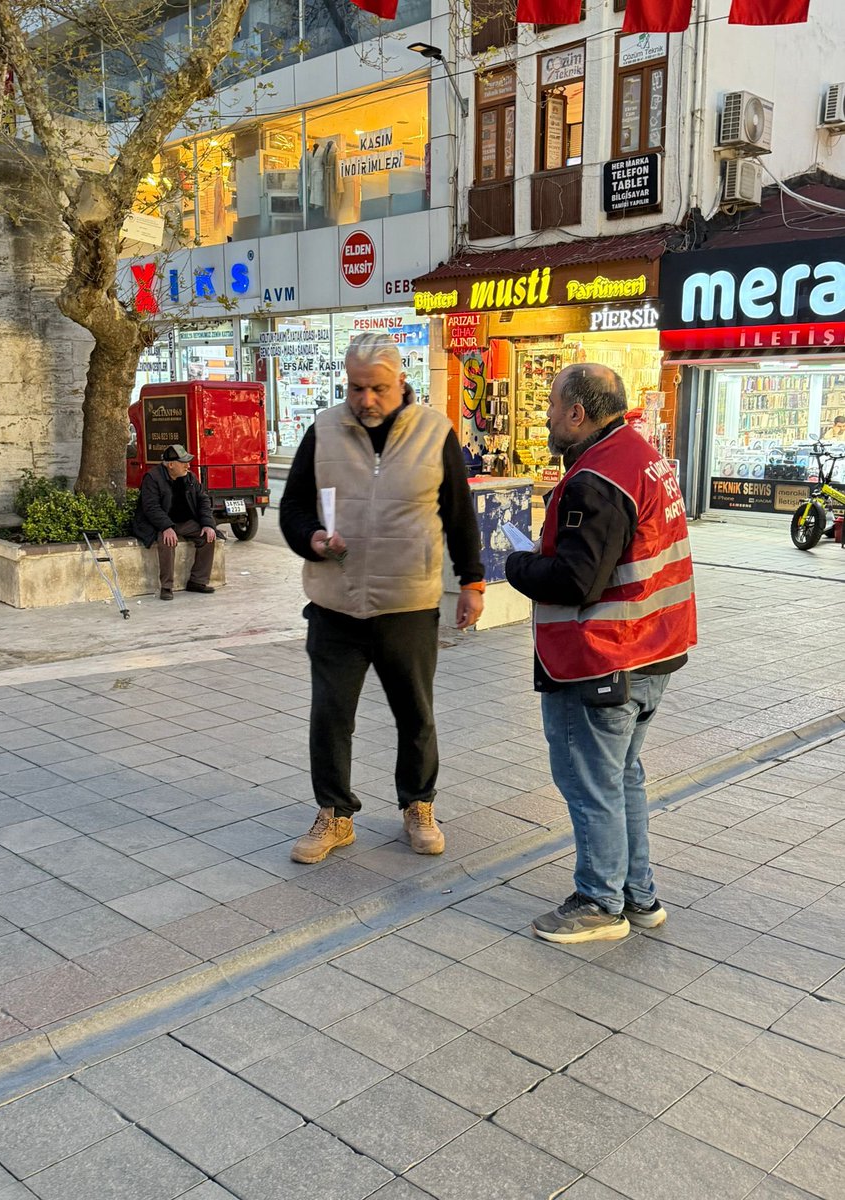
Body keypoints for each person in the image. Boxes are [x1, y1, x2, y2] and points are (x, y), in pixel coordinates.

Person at [505, 364, 697, 944]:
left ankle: (599, 902)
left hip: (603, 659)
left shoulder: (597, 478)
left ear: (578, 414)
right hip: (654, 649)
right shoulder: (639, 454)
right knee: (621, 778)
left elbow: (576, 579)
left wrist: (516, 565)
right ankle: (639, 896)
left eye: (553, 406)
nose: (545, 416)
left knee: (589, 781)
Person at [280, 332, 485, 864]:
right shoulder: (323, 430)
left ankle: (418, 805)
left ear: (401, 383)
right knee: (330, 715)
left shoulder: (434, 432)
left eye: (377, 389)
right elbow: (293, 507)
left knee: (415, 713)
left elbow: (460, 513)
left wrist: (473, 581)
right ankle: (335, 814)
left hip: (408, 603)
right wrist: (312, 539)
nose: (365, 400)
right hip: (335, 601)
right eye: (354, 388)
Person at [131, 444, 217, 601]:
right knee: (167, 541)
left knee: (208, 537)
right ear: (171, 465)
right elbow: (151, 508)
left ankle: (198, 581)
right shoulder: (153, 478)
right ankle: (166, 586)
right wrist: (166, 527)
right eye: (183, 462)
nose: (187, 465)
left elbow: (203, 500)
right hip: (159, 524)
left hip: (185, 522)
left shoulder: (189, 477)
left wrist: (207, 524)